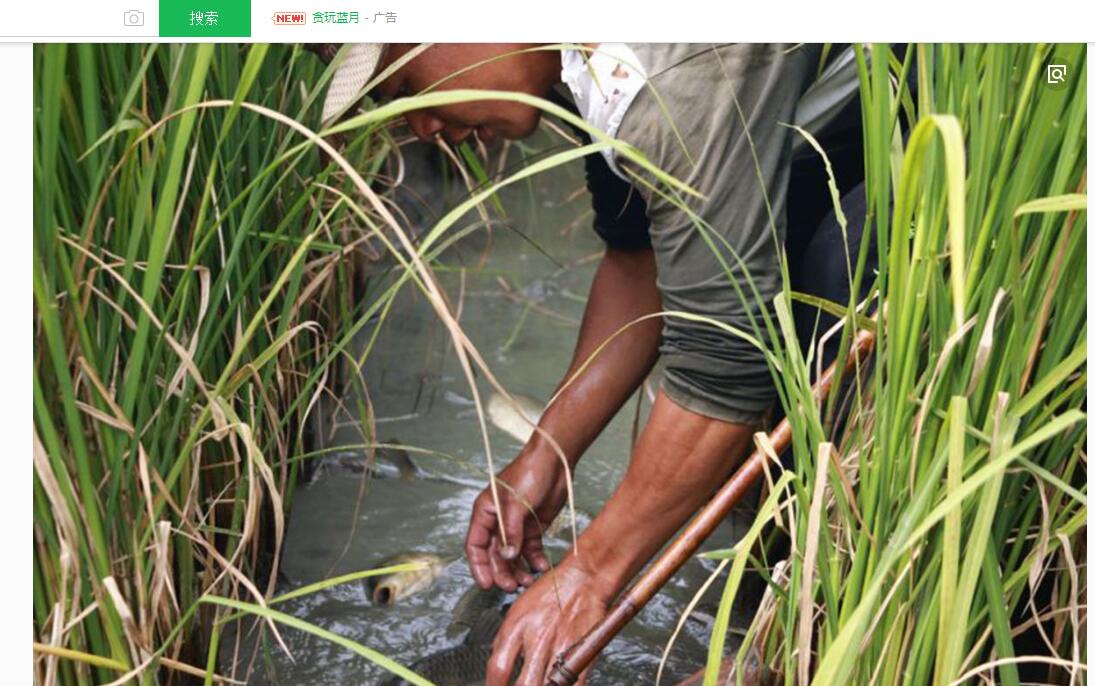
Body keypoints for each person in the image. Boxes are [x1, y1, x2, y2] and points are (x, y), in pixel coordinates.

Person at [322, 43, 867, 685]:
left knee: (824, 291)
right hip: (807, 129)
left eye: (407, 86)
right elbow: (642, 258)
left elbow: (726, 366)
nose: (420, 127)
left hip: (931, 116)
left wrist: (592, 571)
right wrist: (548, 455)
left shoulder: (660, 83)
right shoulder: (586, 71)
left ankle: (825, 625)